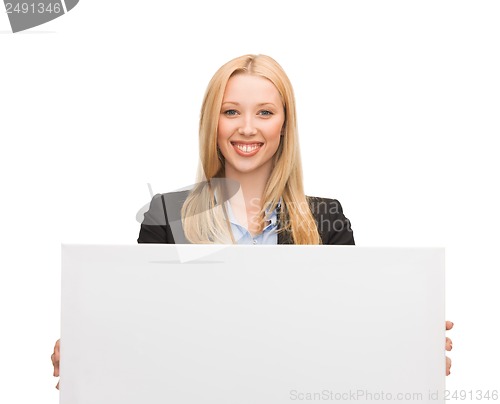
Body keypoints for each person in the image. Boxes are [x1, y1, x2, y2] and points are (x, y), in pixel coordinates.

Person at [51, 54, 453, 387]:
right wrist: (90, 345)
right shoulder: (168, 217)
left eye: (264, 112)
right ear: (213, 123)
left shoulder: (325, 221)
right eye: (231, 112)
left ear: (284, 125)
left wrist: (407, 338)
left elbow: (346, 332)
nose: (247, 127)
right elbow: (143, 329)